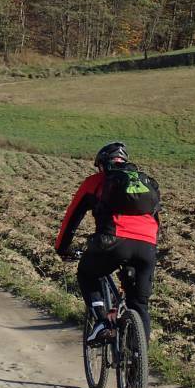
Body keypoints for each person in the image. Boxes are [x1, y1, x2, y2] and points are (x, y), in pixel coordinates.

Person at [54, 141, 159, 343]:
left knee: (86, 274)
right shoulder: (145, 182)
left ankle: (102, 322)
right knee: (139, 304)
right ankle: (138, 358)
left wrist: (62, 248)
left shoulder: (96, 181)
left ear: (102, 164)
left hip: (112, 242)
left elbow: (72, 218)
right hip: (147, 246)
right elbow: (155, 219)